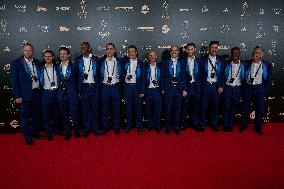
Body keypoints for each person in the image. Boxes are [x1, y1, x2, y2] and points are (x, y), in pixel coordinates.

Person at [10, 43, 45, 145]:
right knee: (24, 117)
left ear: (32, 51)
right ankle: (27, 137)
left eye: (29, 50)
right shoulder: (16, 63)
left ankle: (34, 133)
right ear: (22, 51)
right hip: (24, 95)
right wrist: (17, 96)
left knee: (36, 115)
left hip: (37, 93)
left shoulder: (36, 62)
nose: (28, 52)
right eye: (26, 50)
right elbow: (14, 81)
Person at [240, 46, 272, 135]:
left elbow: (269, 79)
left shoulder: (267, 65)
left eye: (258, 53)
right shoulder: (246, 63)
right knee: (245, 108)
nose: (256, 54)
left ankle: (258, 128)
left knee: (259, 109)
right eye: (254, 53)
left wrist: (264, 89)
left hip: (260, 88)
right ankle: (243, 126)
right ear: (252, 54)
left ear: (262, 54)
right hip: (248, 88)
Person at [75, 42, 100, 138]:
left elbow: (99, 74)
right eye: (82, 47)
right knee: (85, 110)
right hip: (84, 88)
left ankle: (95, 129)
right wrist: (78, 90)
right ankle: (86, 129)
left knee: (95, 109)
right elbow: (77, 76)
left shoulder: (96, 59)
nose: (83, 49)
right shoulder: (78, 59)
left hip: (94, 87)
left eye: (85, 47)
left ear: (89, 48)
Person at [199, 41, 225, 132]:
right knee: (203, 106)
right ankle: (202, 124)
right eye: (212, 47)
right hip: (206, 85)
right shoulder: (202, 60)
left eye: (216, 47)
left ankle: (214, 124)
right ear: (209, 48)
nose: (214, 49)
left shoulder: (221, 60)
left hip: (216, 86)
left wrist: (222, 86)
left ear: (217, 49)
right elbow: (200, 75)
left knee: (215, 107)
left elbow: (222, 75)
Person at [161, 45, 187, 135]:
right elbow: (163, 77)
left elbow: (184, 76)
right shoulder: (165, 62)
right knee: (168, 109)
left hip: (179, 89)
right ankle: (168, 127)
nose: (174, 52)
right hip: (169, 89)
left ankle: (176, 127)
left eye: (175, 50)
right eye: (172, 50)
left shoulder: (182, 62)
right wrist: (163, 89)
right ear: (170, 52)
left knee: (177, 109)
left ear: (178, 52)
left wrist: (184, 89)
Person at [55, 47, 79, 139]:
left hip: (72, 94)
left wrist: (77, 92)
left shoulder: (74, 66)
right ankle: (67, 132)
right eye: (60, 53)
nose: (62, 55)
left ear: (68, 55)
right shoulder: (57, 67)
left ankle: (76, 131)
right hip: (61, 94)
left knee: (75, 114)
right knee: (64, 115)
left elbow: (78, 80)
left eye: (64, 53)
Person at [99, 43, 123, 135]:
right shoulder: (101, 61)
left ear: (114, 50)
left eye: (111, 48)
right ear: (106, 50)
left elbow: (123, 73)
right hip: (105, 87)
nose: (109, 50)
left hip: (115, 87)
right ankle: (105, 128)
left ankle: (116, 128)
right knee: (104, 109)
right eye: (107, 49)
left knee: (116, 109)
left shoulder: (119, 61)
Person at [123, 45, 145, 134]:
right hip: (127, 87)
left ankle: (139, 127)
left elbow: (143, 78)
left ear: (136, 52)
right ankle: (128, 126)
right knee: (128, 109)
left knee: (138, 109)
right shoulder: (124, 62)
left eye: (132, 51)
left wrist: (142, 90)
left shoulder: (141, 63)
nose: (131, 53)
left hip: (137, 88)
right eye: (129, 51)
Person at [39, 50, 60, 141]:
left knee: (56, 113)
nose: (48, 58)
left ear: (53, 57)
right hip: (46, 93)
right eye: (46, 56)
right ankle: (49, 133)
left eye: (49, 56)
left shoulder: (57, 67)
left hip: (57, 92)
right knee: (46, 115)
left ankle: (57, 130)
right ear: (44, 58)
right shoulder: (40, 68)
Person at [223, 47, 245, 132]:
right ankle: (225, 125)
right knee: (226, 107)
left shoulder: (243, 65)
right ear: (231, 54)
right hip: (227, 88)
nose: (235, 54)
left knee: (233, 108)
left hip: (237, 89)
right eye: (233, 53)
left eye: (237, 53)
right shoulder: (226, 64)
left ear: (239, 54)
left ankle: (230, 124)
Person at [181, 43, 201, 131]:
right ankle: (184, 124)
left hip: (196, 87)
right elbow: (181, 76)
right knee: (185, 106)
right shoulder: (182, 61)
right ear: (186, 50)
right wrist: (184, 89)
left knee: (195, 107)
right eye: (188, 49)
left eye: (191, 49)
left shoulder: (200, 61)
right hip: (186, 87)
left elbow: (202, 75)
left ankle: (194, 124)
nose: (190, 51)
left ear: (195, 49)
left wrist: (199, 87)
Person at [144, 50, 162, 133]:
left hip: (157, 91)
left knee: (157, 110)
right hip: (148, 90)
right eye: (150, 56)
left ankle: (157, 126)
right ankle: (150, 126)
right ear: (148, 57)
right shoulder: (144, 67)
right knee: (148, 109)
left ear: (156, 57)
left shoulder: (160, 66)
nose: (152, 57)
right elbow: (142, 80)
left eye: (153, 55)